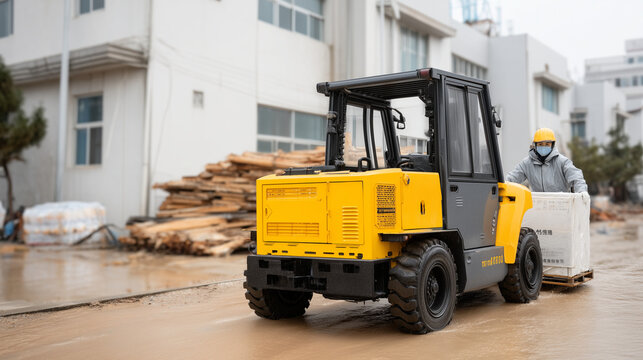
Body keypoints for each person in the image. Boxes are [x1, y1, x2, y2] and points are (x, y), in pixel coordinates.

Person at [506, 128, 589, 200]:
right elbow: (512, 179)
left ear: (552, 145)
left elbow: (576, 177)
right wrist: (503, 187)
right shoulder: (527, 164)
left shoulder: (562, 162)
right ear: (535, 145)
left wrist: (582, 192)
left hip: (561, 205)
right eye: (540, 144)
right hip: (538, 205)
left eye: (547, 144)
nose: (543, 146)